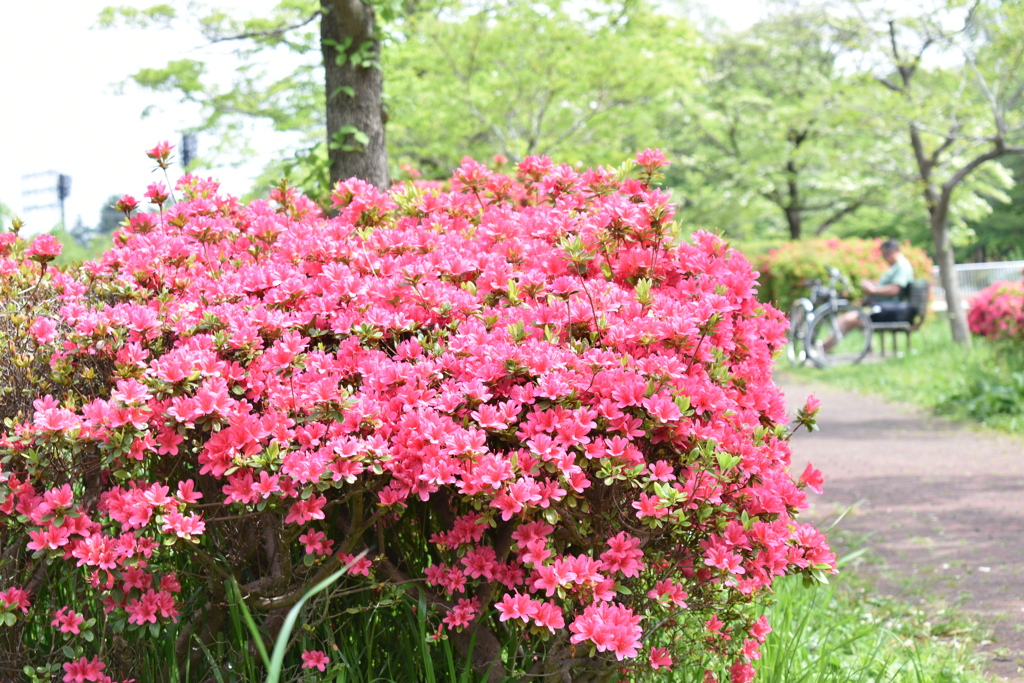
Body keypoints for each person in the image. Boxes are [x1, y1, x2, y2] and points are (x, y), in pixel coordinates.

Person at [822, 239, 914, 352]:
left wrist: (873, 290)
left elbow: (895, 289)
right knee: (844, 319)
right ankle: (823, 348)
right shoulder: (895, 267)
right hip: (882, 307)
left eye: (886, 254)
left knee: (848, 319)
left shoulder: (902, 266)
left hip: (888, 310)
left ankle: (822, 348)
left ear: (894, 250)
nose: (885, 258)